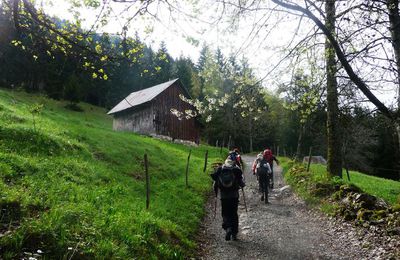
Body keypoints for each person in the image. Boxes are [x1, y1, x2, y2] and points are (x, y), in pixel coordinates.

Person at [211, 158, 245, 241]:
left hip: (224, 197)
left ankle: (228, 228)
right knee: (234, 214)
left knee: (225, 213)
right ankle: (234, 234)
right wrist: (241, 186)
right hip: (234, 197)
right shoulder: (235, 170)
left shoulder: (221, 170)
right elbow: (242, 184)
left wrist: (216, 195)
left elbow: (215, 185)